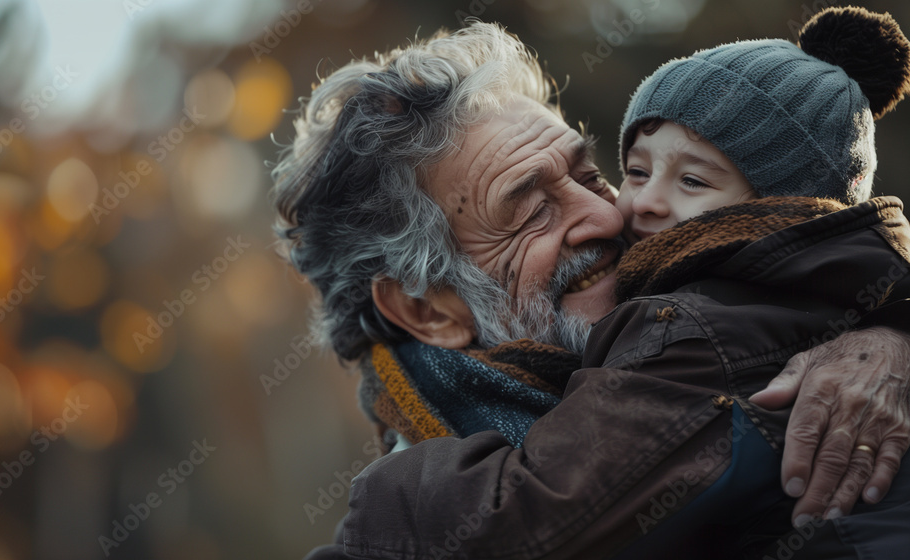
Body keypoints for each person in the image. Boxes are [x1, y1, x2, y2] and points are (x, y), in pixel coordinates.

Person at [270, 12, 910, 560]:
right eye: (530, 209)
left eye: (590, 173)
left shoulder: (728, 331)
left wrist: (888, 333)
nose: (611, 215)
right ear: (427, 309)